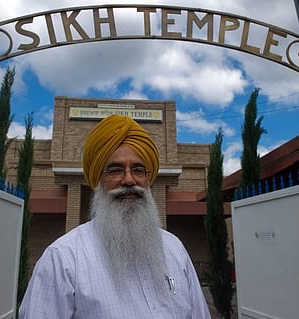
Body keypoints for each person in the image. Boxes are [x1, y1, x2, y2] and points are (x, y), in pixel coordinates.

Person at [19, 114, 211, 319]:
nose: (129, 180)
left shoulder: (174, 248)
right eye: (115, 170)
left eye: (138, 170)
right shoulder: (63, 258)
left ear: (148, 179)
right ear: (98, 180)